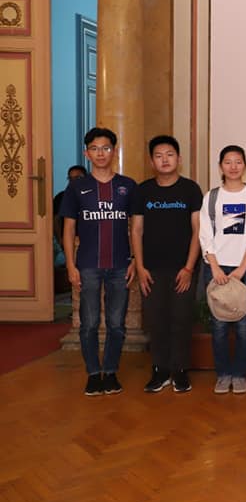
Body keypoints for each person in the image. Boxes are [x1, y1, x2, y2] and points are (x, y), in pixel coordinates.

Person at [60, 128, 137, 396]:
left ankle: (111, 372)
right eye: (95, 148)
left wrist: (135, 260)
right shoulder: (76, 188)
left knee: (116, 323)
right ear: (86, 153)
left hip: (120, 265)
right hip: (88, 266)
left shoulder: (128, 185)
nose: (100, 153)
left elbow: (137, 228)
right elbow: (68, 229)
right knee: (89, 323)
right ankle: (93, 373)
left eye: (106, 148)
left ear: (114, 151)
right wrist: (70, 264)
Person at [131, 135, 203, 394]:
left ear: (179, 159)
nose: (165, 159)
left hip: (183, 267)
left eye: (170, 154)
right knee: (156, 319)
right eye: (159, 155)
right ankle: (160, 370)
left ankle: (180, 370)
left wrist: (189, 268)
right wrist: (139, 267)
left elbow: (198, 231)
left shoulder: (191, 190)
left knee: (181, 319)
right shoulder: (143, 191)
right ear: (152, 161)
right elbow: (136, 230)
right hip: (151, 268)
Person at [199, 145, 246, 395]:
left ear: (245, 166)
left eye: (238, 161)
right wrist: (215, 267)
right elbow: (206, 235)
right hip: (215, 267)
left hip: (244, 267)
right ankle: (223, 373)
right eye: (228, 162)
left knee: (244, 325)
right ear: (221, 167)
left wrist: (241, 268)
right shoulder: (212, 197)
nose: (233, 166)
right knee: (218, 324)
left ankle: (239, 374)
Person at [53, 164, 87, 249]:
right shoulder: (61, 197)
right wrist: (60, 239)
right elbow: (56, 220)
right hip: (68, 241)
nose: (73, 181)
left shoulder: (93, 196)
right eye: (70, 179)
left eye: (77, 178)